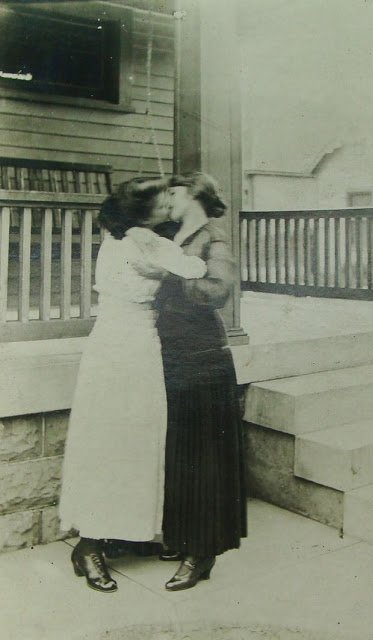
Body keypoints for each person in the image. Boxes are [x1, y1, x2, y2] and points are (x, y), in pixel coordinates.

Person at [58, 177, 207, 593]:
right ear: (143, 211)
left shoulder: (121, 236)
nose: (167, 206)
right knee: (115, 441)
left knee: (122, 441)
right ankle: (88, 546)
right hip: (128, 349)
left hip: (115, 345)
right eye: (162, 201)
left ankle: (114, 533)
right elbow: (195, 268)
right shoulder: (145, 241)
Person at [154, 172, 247, 591]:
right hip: (172, 352)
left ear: (192, 194)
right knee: (180, 447)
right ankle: (182, 536)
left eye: (172, 191)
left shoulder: (213, 237)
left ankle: (202, 552)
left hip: (203, 355)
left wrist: (175, 274)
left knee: (205, 453)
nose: (167, 198)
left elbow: (217, 290)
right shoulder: (173, 233)